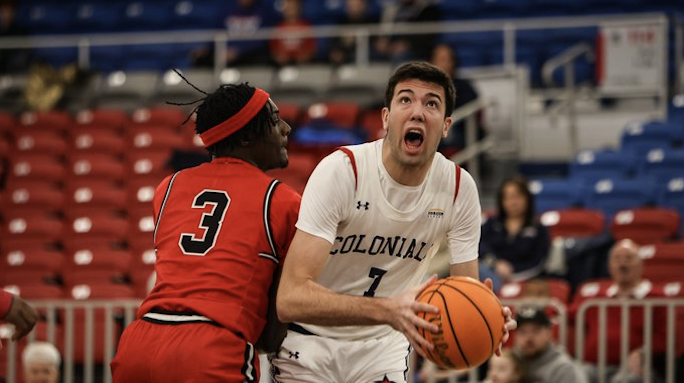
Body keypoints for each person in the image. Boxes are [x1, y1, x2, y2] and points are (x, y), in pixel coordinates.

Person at [273, 61, 515, 383]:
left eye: (431, 103)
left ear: (445, 126)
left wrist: (486, 317)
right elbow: (290, 299)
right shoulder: (344, 171)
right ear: (386, 118)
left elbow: (465, 290)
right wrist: (387, 309)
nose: (417, 112)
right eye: (405, 99)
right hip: (309, 341)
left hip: (382, 345)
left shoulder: (459, 188)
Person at [110, 81, 300, 383]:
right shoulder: (282, 200)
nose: (287, 128)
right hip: (211, 347)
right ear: (249, 135)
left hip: (138, 344)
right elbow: (274, 329)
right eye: (276, 120)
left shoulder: (168, 187)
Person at [570, 239, 669, 383]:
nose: (622, 264)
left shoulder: (658, 298)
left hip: (636, 368)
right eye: (617, 259)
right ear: (610, 266)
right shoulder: (597, 299)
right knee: (572, 376)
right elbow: (565, 313)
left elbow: (667, 337)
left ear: (641, 264)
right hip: (593, 367)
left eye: (629, 258)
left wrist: (643, 352)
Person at [479, 175, 551, 287]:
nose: (512, 202)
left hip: (524, 281)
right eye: (507, 198)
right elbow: (479, 246)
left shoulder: (539, 229)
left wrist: (511, 272)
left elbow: (538, 263)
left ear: (527, 198)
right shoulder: (491, 224)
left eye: (516, 197)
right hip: (490, 274)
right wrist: (495, 263)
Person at [429, 43, 483, 153]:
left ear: (453, 63)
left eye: (446, 60)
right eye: (439, 59)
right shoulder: (424, 88)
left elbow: (470, 110)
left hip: (459, 132)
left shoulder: (464, 87)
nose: (442, 65)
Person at [191, 0, 276, 67]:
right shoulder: (226, 10)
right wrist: (206, 48)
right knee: (201, 59)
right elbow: (217, 33)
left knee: (260, 58)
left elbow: (263, 39)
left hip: (250, 54)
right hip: (225, 52)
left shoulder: (264, 11)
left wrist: (238, 50)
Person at [513, 306, 588, 383]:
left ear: (549, 332)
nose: (528, 338)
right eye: (522, 332)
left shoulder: (565, 370)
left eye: (535, 331)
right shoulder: (510, 365)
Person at [375, 0, 441, 64]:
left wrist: (407, 44)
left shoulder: (427, 9)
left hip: (413, 48)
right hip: (391, 44)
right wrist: (383, 41)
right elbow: (384, 31)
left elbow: (426, 35)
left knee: (400, 57)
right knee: (373, 53)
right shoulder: (392, 9)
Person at [328, 0, 379, 65]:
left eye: (357, 6)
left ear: (364, 6)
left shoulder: (372, 22)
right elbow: (334, 44)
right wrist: (336, 51)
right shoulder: (341, 22)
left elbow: (377, 44)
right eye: (351, 6)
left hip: (369, 60)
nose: (354, 9)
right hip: (346, 61)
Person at [269, 0, 316, 66]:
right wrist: (278, 57)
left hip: (303, 64)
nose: (290, 10)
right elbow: (273, 48)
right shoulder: (278, 27)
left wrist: (306, 56)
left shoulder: (305, 26)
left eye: (293, 7)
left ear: (299, 8)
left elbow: (311, 46)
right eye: (288, 7)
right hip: (282, 65)